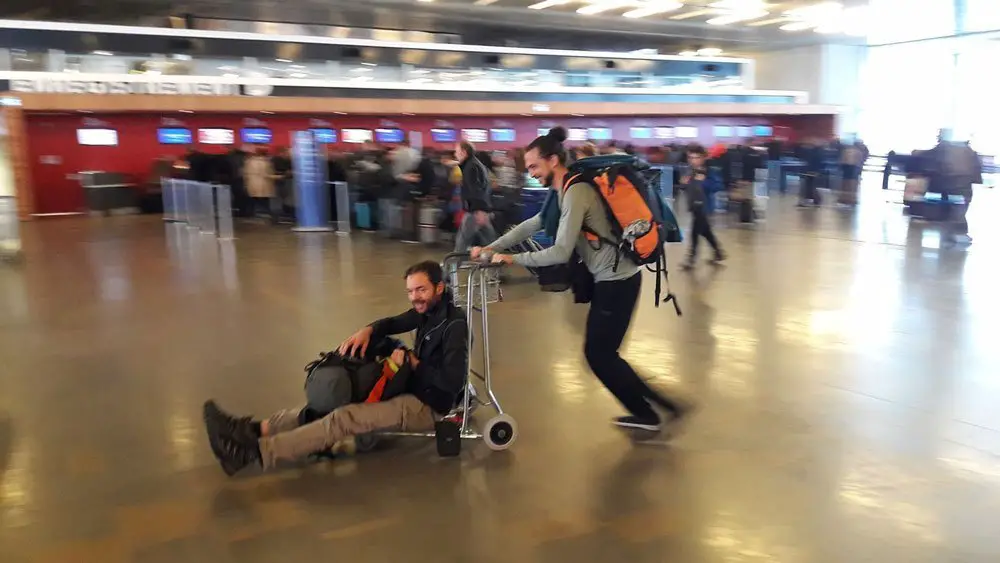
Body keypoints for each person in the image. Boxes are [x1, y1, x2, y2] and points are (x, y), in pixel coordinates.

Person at [471, 126, 690, 433]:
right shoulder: (561, 191)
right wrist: (491, 248)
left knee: (599, 355)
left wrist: (511, 259)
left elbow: (560, 252)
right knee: (603, 355)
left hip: (618, 282)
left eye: (534, 165)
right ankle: (661, 407)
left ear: (553, 161)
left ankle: (651, 413)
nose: (531, 172)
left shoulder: (576, 192)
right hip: (611, 280)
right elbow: (532, 224)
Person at [202, 261, 469, 476]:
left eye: (420, 290)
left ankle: (255, 452)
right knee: (328, 405)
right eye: (410, 292)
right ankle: (249, 430)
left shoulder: (454, 325)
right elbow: (391, 323)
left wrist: (414, 363)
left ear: (439, 288)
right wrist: (368, 330)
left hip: (429, 404)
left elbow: (453, 382)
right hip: (412, 385)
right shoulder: (426, 312)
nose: (414, 298)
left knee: (345, 418)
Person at [679, 145, 725, 269]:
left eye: (696, 157)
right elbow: (686, 188)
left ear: (703, 158)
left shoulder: (710, 171)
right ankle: (719, 252)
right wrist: (683, 184)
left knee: (694, 232)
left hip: (704, 207)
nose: (693, 160)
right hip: (694, 205)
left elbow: (718, 186)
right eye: (690, 157)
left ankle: (691, 259)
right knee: (705, 231)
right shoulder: (690, 171)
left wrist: (703, 182)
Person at [453, 140, 495, 252]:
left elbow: (476, 190)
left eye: (457, 151)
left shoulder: (471, 167)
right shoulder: (473, 164)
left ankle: (451, 268)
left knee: (461, 244)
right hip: (480, 209)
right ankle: (495, 266)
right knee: (490, 242)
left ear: (464, 152)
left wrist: (479, 210)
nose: (455, 154)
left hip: (475, 211)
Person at [244, 147, 277, 220]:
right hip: (264, 184)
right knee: (264, 201)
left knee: (252, 200)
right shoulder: (266, 162)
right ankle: (266, 215)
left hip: (252, 184)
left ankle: (250, 215)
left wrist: (246, 184)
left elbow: (245, 174)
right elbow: (267, 174)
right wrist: (280, 177)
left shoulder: (249, 161)